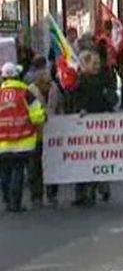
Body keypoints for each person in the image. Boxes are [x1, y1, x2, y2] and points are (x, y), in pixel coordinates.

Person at [0, 63, 46, 212]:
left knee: (5, 171)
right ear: (17, 75)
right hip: (22, 141)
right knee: (18, 170)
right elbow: (36, 114)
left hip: (2, 142)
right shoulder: (25, 92)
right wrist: (43, 117)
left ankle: (7, 200)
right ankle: (15, 203)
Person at [72, 50, 114, 207]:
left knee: (99, 157)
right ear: (85, 64)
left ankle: (101, 188)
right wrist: (81, 109)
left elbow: (110, 100)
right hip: (84, 126)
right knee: (83, 159)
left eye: (98, 63)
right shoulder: (79, 81)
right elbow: (76, 99)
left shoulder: (104, 78)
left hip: (100, 124)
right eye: (94, 63)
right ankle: (83, 193)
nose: (97, 66)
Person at [27, 70, 63, 207]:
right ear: (38, 83)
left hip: (53, 132)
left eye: (50, 82)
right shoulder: (29, 91)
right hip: (36, 134)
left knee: (53, 165)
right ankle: (36, 195)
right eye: (46, 83)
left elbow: (60, 106)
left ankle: (52, 194)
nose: (49, 85)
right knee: (35, 166)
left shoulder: (55, 89)